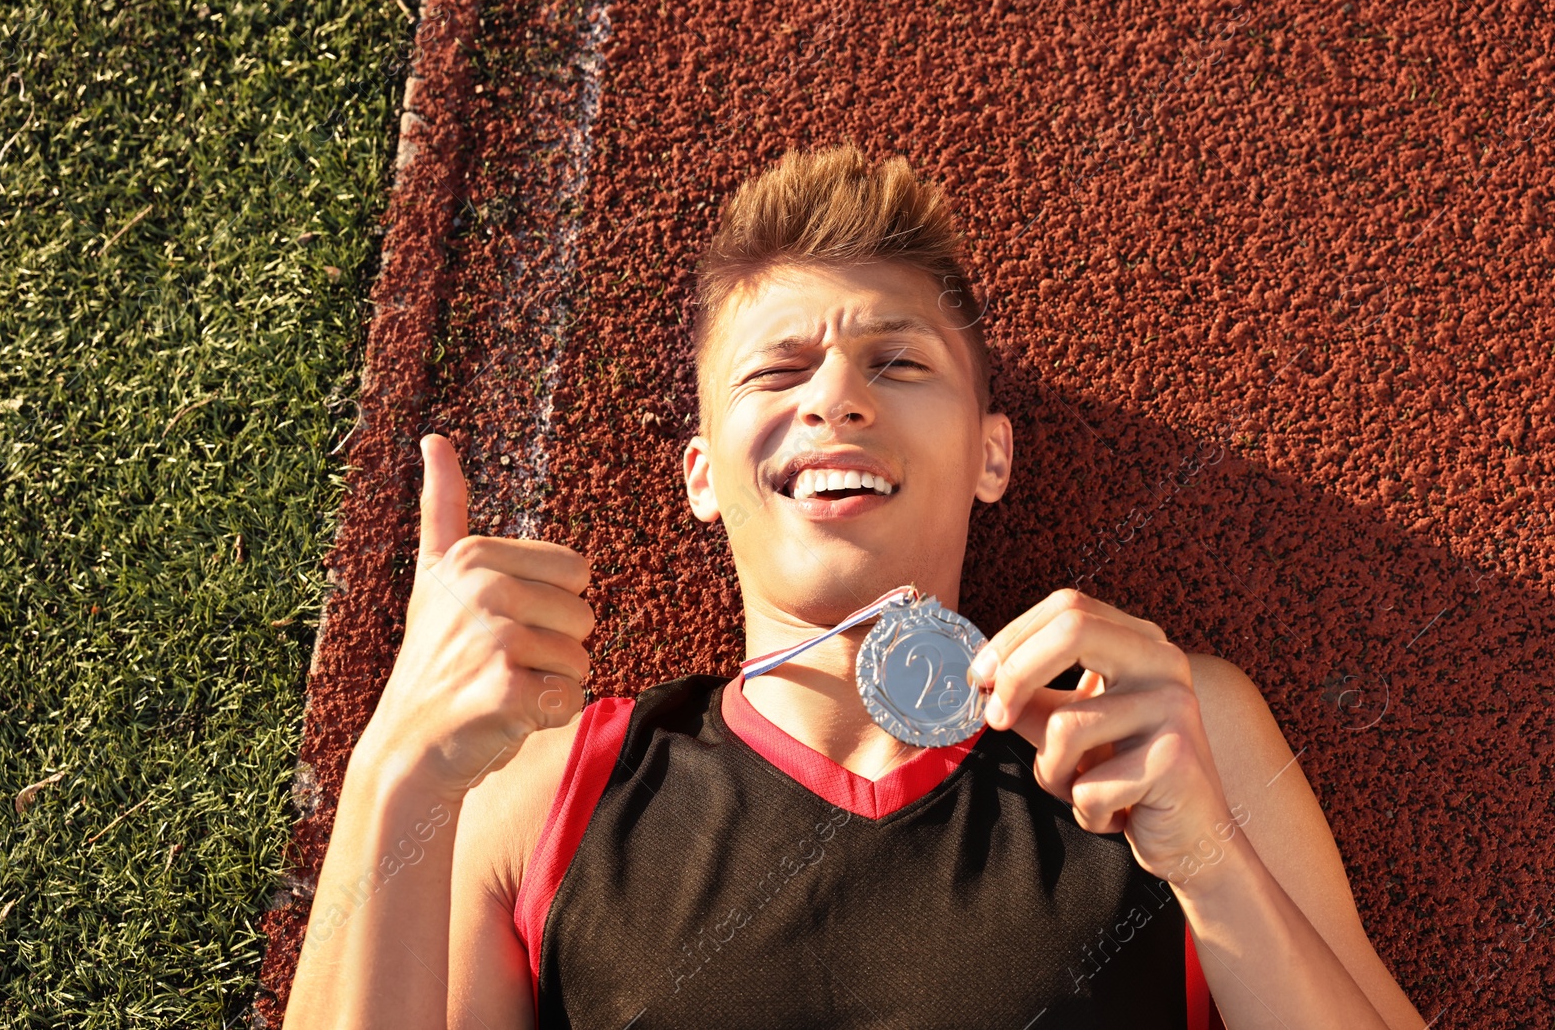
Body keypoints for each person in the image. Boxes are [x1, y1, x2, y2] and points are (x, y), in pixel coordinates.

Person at [283, 144, 1428, 1029]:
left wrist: (1210, 861)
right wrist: (398, 766)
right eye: (777, 368)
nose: (834, 397)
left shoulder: (1162, 736)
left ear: (991, 453)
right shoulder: (543, 795)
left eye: (898, 361)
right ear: (701, 474)